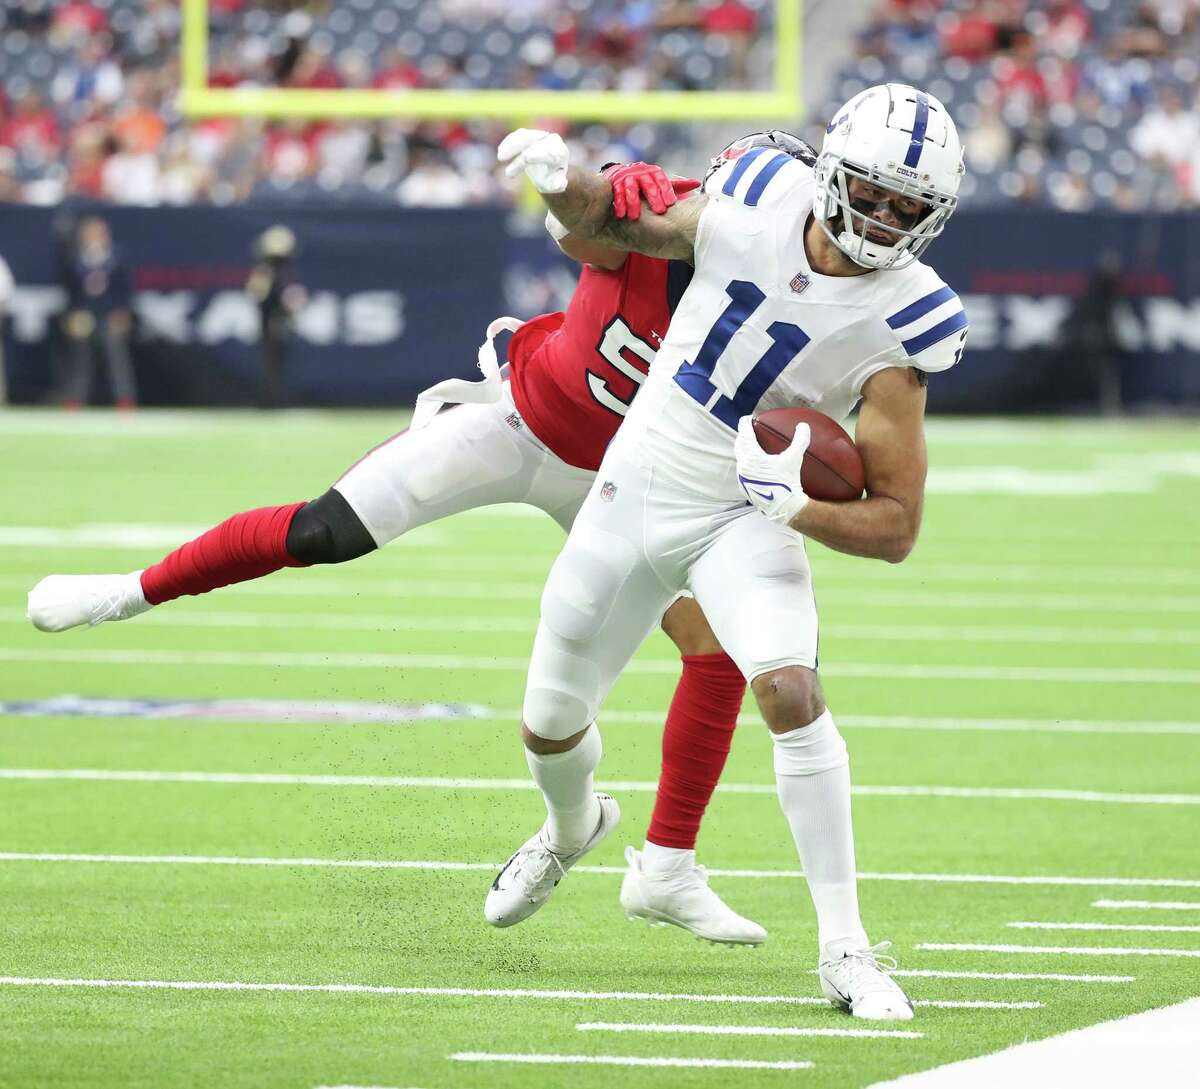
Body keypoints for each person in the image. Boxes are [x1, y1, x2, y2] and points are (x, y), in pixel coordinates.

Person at [26, 162, 765, 947]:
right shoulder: (656, 218)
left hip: (630, 482)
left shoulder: (779, 300)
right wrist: (584, 177)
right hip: (515, 423)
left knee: (705, 651)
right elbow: (576, 222)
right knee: (323, 531)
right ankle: (128, 591)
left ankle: (660, 860)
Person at [490, 84, 969, 1022]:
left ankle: (846, 948)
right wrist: (559, 181)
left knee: (790, 689)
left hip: (745, 516)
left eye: (905, 207)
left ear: (933, 216)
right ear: (829, 172)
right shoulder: (756, 193)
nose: (881, 218)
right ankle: (568, 826)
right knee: (548, 722)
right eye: (869, 192)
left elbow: (898, 523)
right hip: (634, 485)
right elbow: (615, 223)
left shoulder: (911, 319)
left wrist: (799, 507)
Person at [59, 216, 138, 409]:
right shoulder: (75, 259)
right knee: (80, 358)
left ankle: (125, 399)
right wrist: (72, 315)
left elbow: (125, 291)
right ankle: (74, 399)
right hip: (84, 315)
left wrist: (122, 313)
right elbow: (71, 293)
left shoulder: (117, 259)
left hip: (110, 315)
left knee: (116, 356)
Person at [247, 225, 306, 408]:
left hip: (279, 324)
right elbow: (257, 294)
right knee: (271, 365)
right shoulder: (265, 271)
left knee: (278, 364)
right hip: (270, 324)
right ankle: (270, 401)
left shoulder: (284, 271)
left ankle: (276, 399)